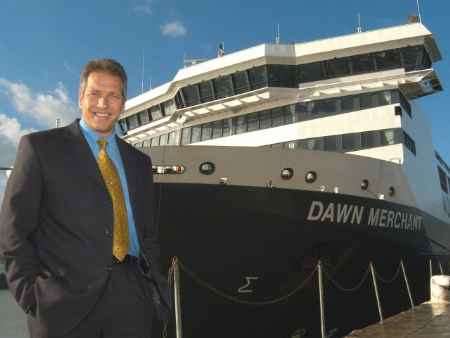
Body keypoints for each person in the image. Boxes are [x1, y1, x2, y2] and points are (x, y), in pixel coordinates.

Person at [0, 58, 170, 338]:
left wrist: (156, 289)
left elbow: (147, 233)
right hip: (64, 305)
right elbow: (13, 230)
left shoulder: (139, 162)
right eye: (95, 94)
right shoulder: (40, 148)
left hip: (133, 300)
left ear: (123, 103)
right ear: (80, 97)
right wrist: (32, 296)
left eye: (113, 95)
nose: (103, 104)